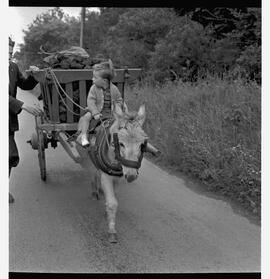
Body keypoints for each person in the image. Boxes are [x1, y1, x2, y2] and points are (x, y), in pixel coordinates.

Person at [9, 37, 43, 203]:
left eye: (10, 53)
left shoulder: (12, 67)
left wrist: (34, 76)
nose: (7, 56)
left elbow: (25, 85)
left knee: (9, 156)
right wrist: (24, 106)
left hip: (8, 119)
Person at [77, 59, 124, 147]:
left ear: (105, 81)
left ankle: (119, 139)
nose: (92, 79)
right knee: (86, 117)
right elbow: (90, 101)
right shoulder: (93, 88)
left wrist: (117, 107)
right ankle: (83, 137)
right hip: (97, 111)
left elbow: (119, 100)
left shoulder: (114, 89)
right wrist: (95, 113)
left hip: (110, 113)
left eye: (95, 78)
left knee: (120, 122)